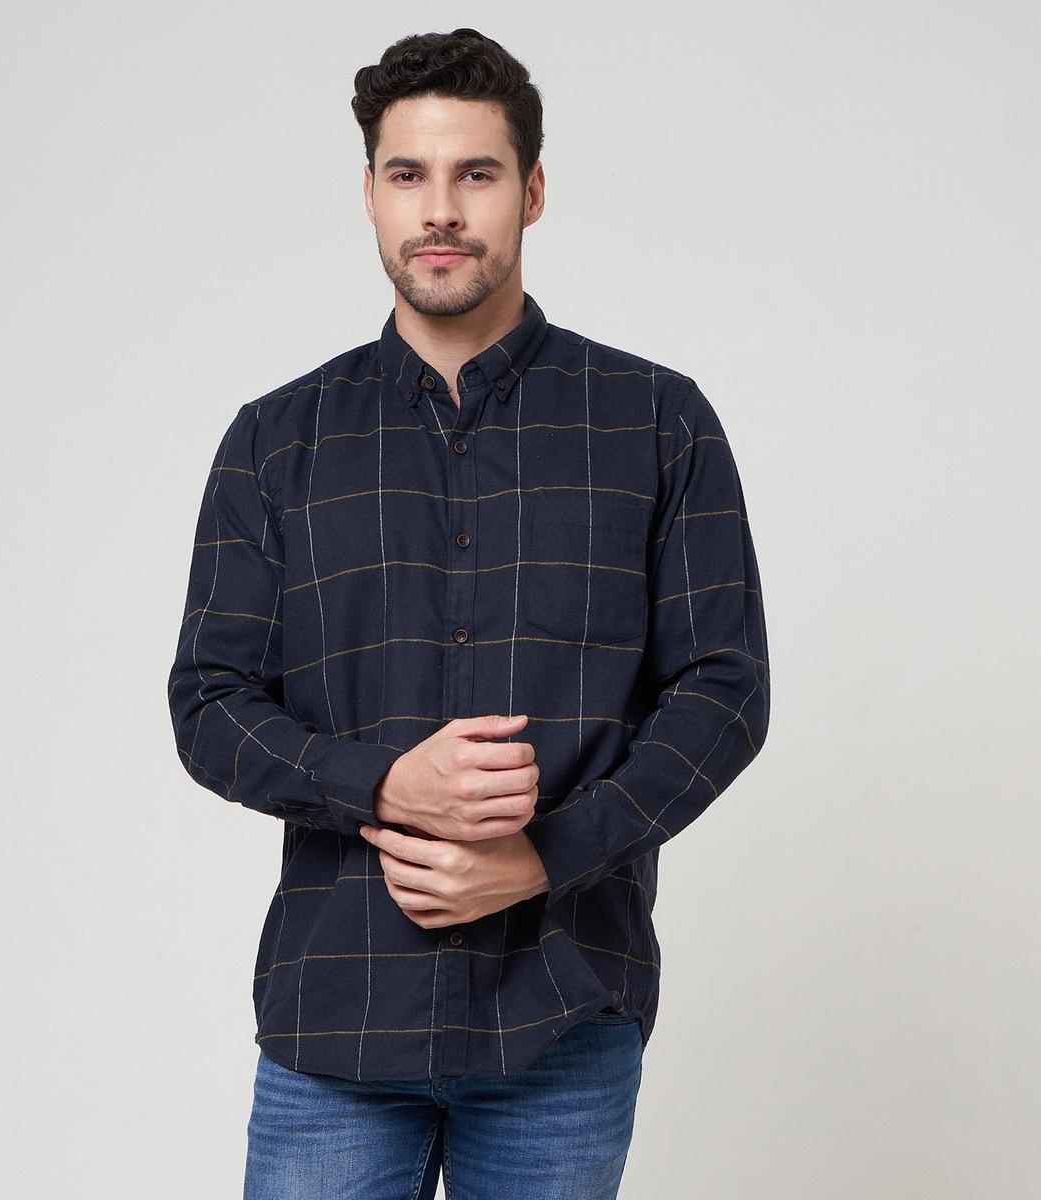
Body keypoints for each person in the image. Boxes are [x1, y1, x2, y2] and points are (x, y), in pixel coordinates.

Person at [166, 26, 772, 1200]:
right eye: (409, 174)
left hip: (563, 1008)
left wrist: (546, 857)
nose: (439, 209)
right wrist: (385, 783)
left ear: (532, 191)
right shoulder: (276, 442)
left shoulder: (656, 424)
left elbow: (724, 693)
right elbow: (208, 702)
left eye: (476, 173)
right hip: (338, 1011)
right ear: (370, 193)